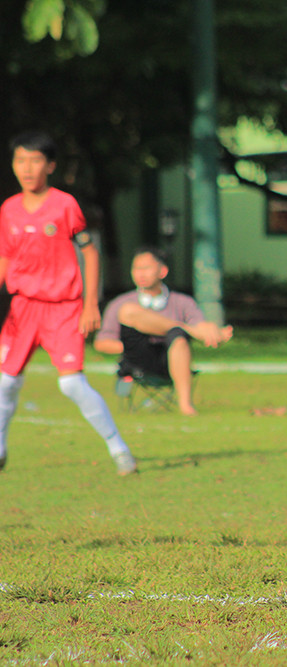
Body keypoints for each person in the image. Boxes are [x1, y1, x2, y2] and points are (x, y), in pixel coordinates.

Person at [0, 131, 137, 475]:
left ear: (50, 166)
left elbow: (90, 253)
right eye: (20, 161)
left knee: (71, 383)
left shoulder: (65, 205)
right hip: (22, 308)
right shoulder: (9, 209)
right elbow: (5, 257)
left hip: (63, 308)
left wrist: (91, 304)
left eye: (35, 161)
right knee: (5, 382)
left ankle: (119, 450)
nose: (27, 168)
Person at [94, 247, 233, 416]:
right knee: (129, 311)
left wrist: (212, 330)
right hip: (138, 359)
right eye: (136, 268)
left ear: (163, 271)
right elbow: (101, 343)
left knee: (178, 336)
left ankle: (185, 405)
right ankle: (181, 328)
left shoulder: (183, 302)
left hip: (172, 360)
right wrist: (127, 347)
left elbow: (200, 327)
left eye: (146, 268)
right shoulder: (120, 303)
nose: (140, 274)